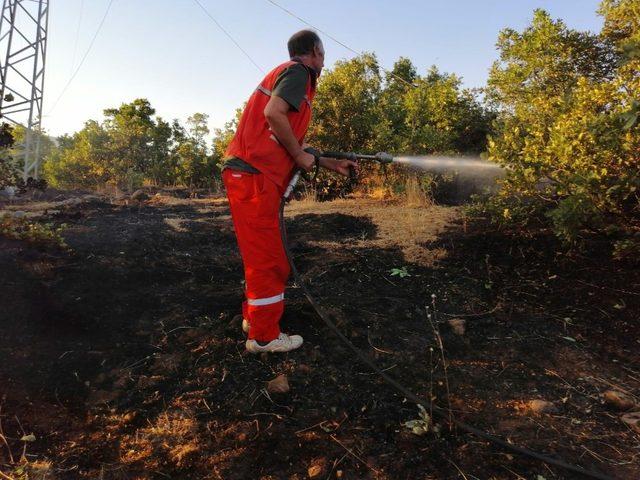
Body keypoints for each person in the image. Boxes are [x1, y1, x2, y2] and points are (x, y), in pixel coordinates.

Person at [222, 30, 356, 354]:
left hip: (255, 176)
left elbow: (287, 135)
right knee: (269, 260)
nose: (324, 62)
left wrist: (328, 163)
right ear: (313, 51)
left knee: (265, 256)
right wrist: (298, 155)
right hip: (254, 176)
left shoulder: (294, 78)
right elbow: (273, 115)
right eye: (323, 54)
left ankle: (255, 320)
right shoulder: (298, 72)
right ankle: (264, 337)